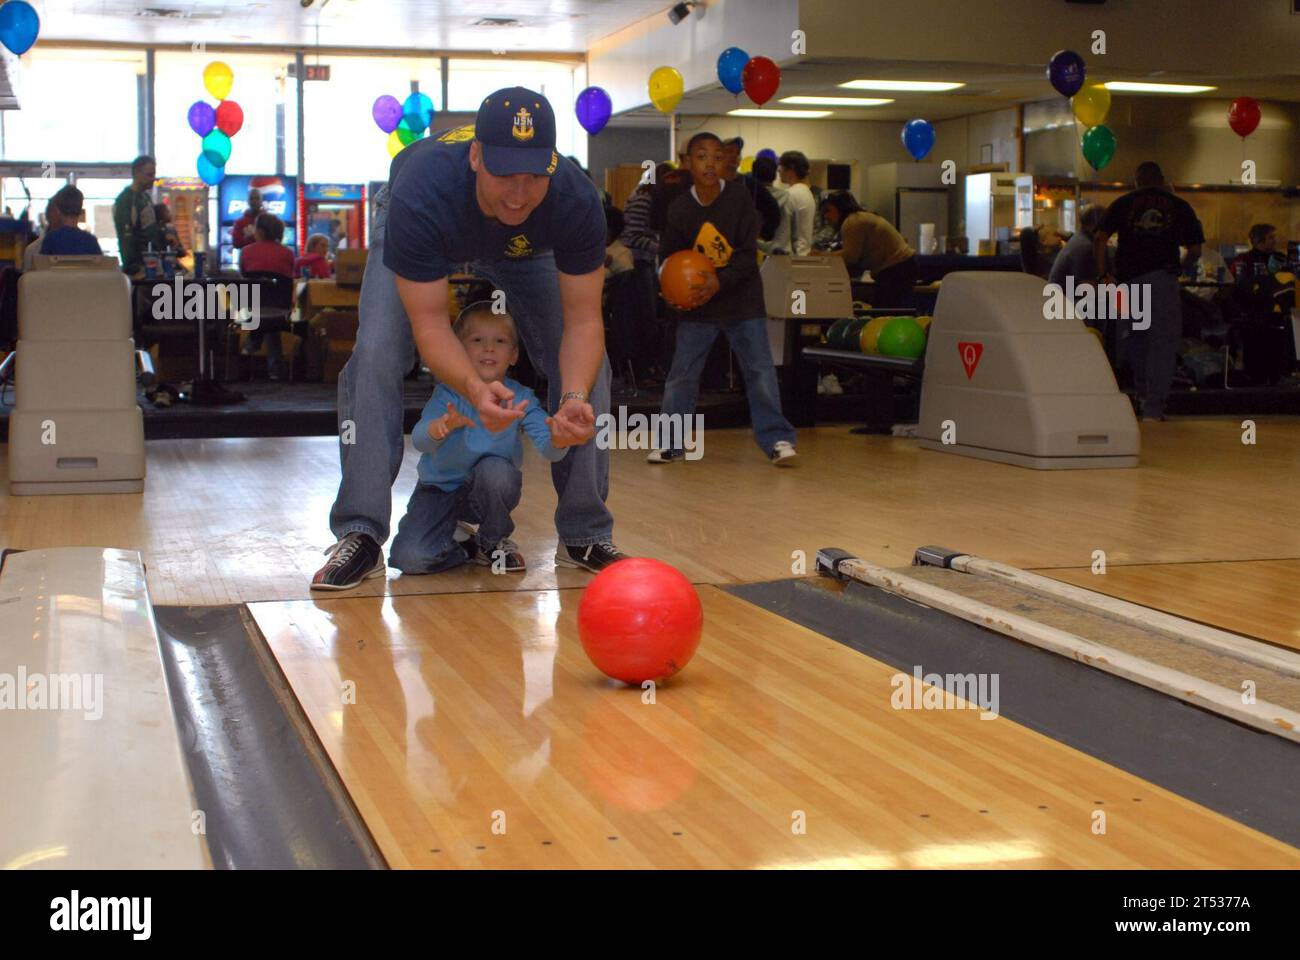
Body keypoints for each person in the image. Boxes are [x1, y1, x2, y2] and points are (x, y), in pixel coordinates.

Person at [313, 86, 623, 591]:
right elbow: (432, 324)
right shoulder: (423, 190)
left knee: (592, 369)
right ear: (476, 156)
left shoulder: (574, 198)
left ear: (552, 165)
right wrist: (475, 390)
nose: (518, 193)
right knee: (375, 354)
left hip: (526, 244)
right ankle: (361, 531)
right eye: (504, 174)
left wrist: (571, 399)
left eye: (532, 177)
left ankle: (585, 532)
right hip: (433, 225)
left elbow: (585, 321)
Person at [647, 131, 797, 466]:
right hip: (698, 304)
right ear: (688, 163)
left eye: (717, 156)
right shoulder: (680, 207)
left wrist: (719, 282)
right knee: (682, 374)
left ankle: (777, 440)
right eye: (701, 156)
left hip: (742, 300)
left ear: (726, 161)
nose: (710, 163)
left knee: (759, 371)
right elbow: (669, 258)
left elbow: (747, 256)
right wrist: (668, 287)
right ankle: (671, 442)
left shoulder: (740, 198)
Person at [389, 301, 567, 576]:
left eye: (500, 341)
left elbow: (549, 449)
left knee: (496, 471)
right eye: (477, 340)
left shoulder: (521, 398)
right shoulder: (447, 395)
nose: (489, 348)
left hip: (487, 490)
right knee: (410, 559)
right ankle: (466, 547)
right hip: (438, 490)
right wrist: (440, 427)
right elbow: (421, 442)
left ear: (514, 355)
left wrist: (558, 439)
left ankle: (492, 541)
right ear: (459, 351)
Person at [1095, 161, 1204, 422]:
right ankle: (1154, 409)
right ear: (1162, 179)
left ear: (1136, 180)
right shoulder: (1179, 206)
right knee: (1162, 343)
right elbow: (1196, 250)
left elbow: (1099, 239)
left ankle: (1142, 395)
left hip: (1127, 283)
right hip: (1161, 280)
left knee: (1133, 339)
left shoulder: (1122, 203)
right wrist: (1179, 268)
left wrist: (1104, 274)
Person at [818, 192, 917, 308]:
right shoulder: (860, 218)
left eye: (828, 211)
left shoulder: (852, 221)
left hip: (896, 268)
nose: (826, 216)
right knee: (887, 311)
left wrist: (821, 256)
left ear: (840, 207)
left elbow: (850, 256)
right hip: (901, 265)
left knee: (885, 314)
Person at [112, 154, 162, 276]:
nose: (153, 179)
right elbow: (126, 237)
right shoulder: (126, 200)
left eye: (154, 174)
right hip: (139, 269)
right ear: (137, 174)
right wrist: (132, 267)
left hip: (152, 263)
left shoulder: (145, 197)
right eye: (149, 175)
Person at [1049, 204, 1108, 292]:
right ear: (1097, 224)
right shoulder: (1086, 247)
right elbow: (1088, 287)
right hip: (1066, 300)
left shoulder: (1079, 238)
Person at [39, 186, 102, 257]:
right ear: (81, 211)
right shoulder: (91, 241)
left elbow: (42, 266)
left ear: (58, 210)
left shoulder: (50, 240)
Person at [776, 150, 816, 256]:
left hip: (792, 258)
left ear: (791, 170)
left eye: (780, 166)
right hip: (803, 253)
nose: (778, 171)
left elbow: (783, 234)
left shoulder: (790, 194)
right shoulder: (806, 193)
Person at [238, 212, 295, 277]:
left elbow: (243, 280)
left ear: (260, 231)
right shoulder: (289, 253)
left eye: (255, 228)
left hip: (253, 287)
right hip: (278, 287)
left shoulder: (245, 251)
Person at [753, 156, 788, 254]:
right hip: (781, 253)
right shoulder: (787, 197)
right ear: (774, 175)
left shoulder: (749, 198)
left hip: (756, 252)